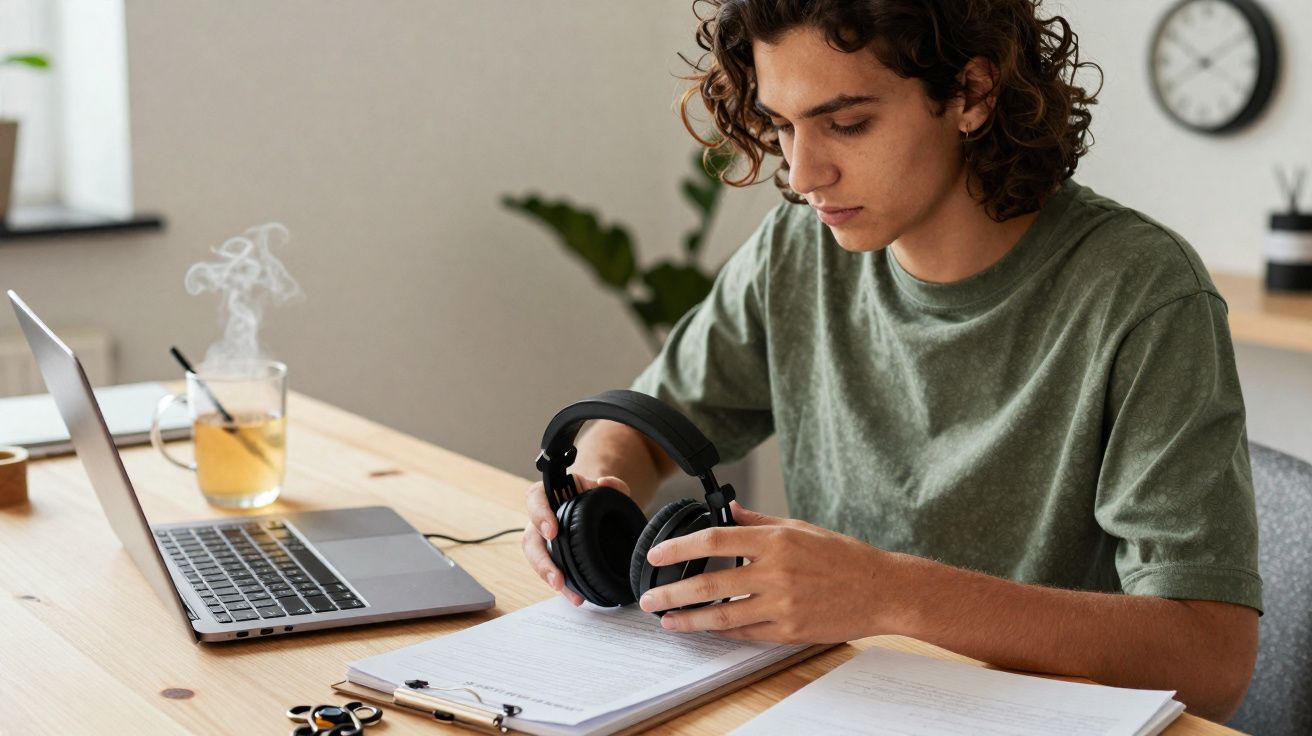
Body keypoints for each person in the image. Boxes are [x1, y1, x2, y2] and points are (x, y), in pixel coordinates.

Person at [522, 0, 1261, 722]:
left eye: (846, 123)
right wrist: (595, 486)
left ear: (971, 93)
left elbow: (1212, 661)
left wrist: (888, 592)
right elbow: (653, 423)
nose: (804, 173)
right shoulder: (798, 249)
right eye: (783, 125)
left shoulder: (1143, 293)